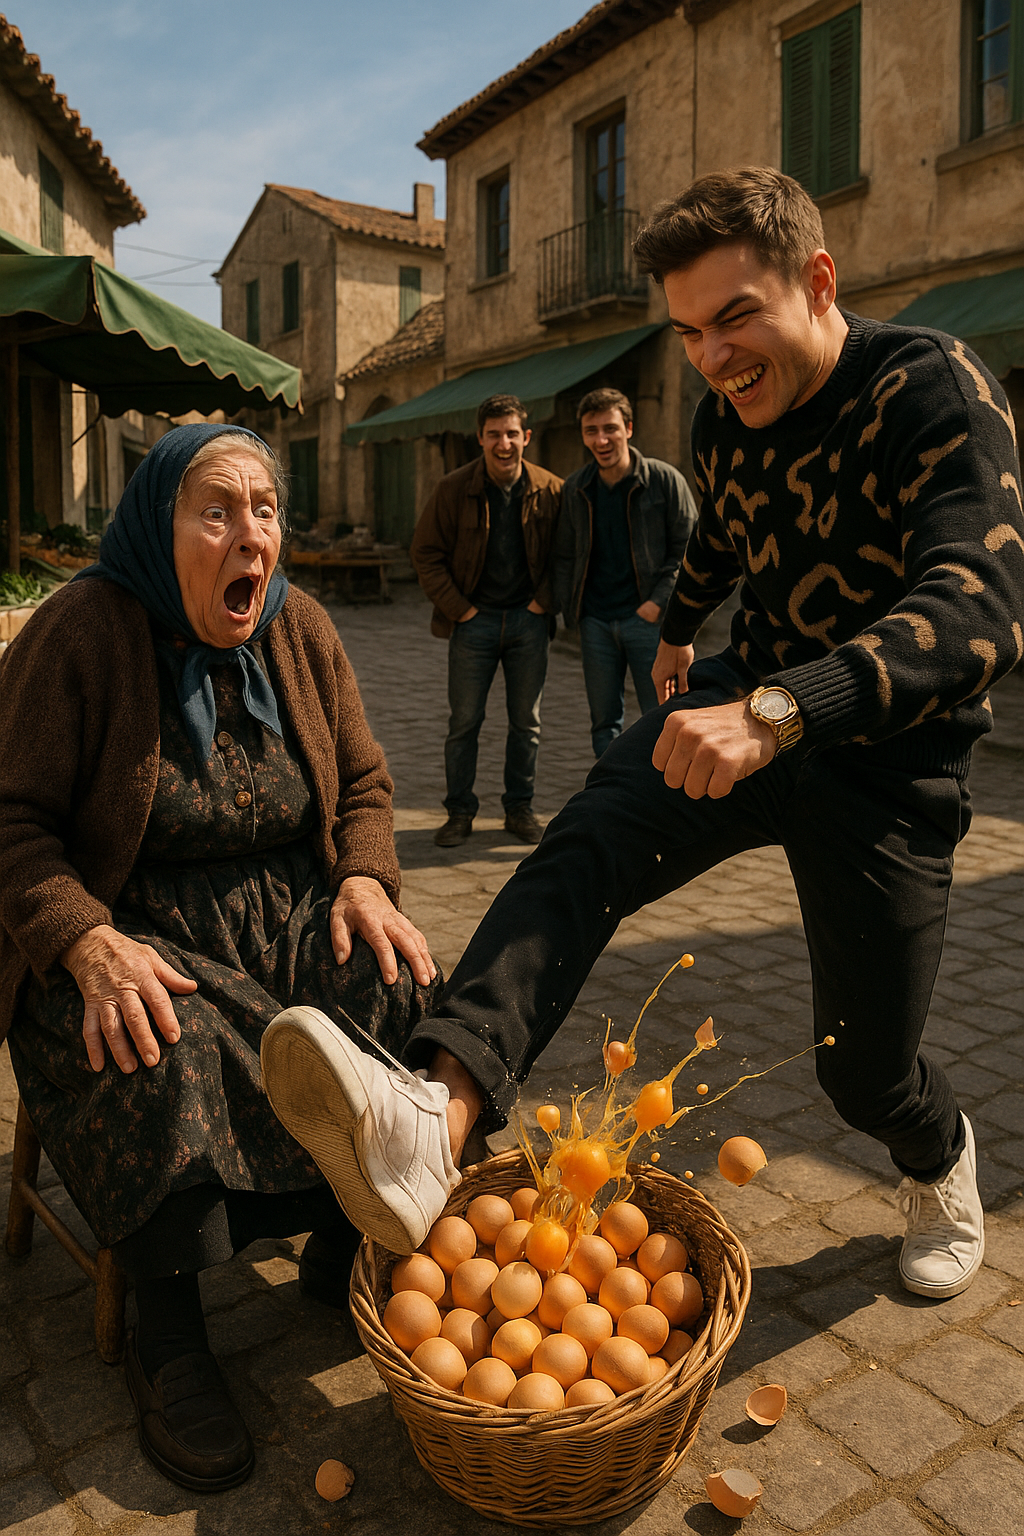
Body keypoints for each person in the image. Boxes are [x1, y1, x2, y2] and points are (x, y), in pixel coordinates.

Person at [261, 167, 1024, 1306]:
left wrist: (779, 713)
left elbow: (980, 606)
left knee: (860, 1071)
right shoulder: (724, 420)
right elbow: (724, 534)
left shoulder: (931, 388)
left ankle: (939, 1161)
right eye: (689, 333)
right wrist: (677, 628)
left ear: (819, 281)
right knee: (585, 845)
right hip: (737, 707)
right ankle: (435, 1113)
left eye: (735, 318)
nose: (712, 357)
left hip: (884, 762)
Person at [0, 424, 481, 1494]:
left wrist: (364, 877)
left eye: (264, 509)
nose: (249, 534)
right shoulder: (83, 630)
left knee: (404, 984)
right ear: (157, 524)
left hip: (284, 913)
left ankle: (350, 1239)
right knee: (157, 1044)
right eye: (215, 510)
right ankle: (170, 1334)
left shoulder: (298, 627)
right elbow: (9, 819)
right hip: (124, 928)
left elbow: (365, 781)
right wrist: (81, 937)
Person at [409, 394, 562, 847]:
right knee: (464, 722)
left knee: (526, 724)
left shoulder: (552, 490)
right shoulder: (453, 489)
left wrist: (544, 602)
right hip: (473, 623)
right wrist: (460, 609)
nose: (503, 443)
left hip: (529, 624)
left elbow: (569, 554)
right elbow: (425, 553)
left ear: (526, 437)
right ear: (480, 438)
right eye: (494, 434)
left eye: (512, 434)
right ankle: (459, 813)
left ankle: (519, 809)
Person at [554, 386, 697, 756]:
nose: (601, 440)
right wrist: (575, 611)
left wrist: (657, 603)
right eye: (591, 431)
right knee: (604, 722)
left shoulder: (664, 480)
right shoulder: (576, 488)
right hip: (596, 623)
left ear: (628, 428)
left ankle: (661, 788)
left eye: (610, 428)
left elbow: (689, 549)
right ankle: (610, 788)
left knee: (663, 714)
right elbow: (565, 555)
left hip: (650, 622)